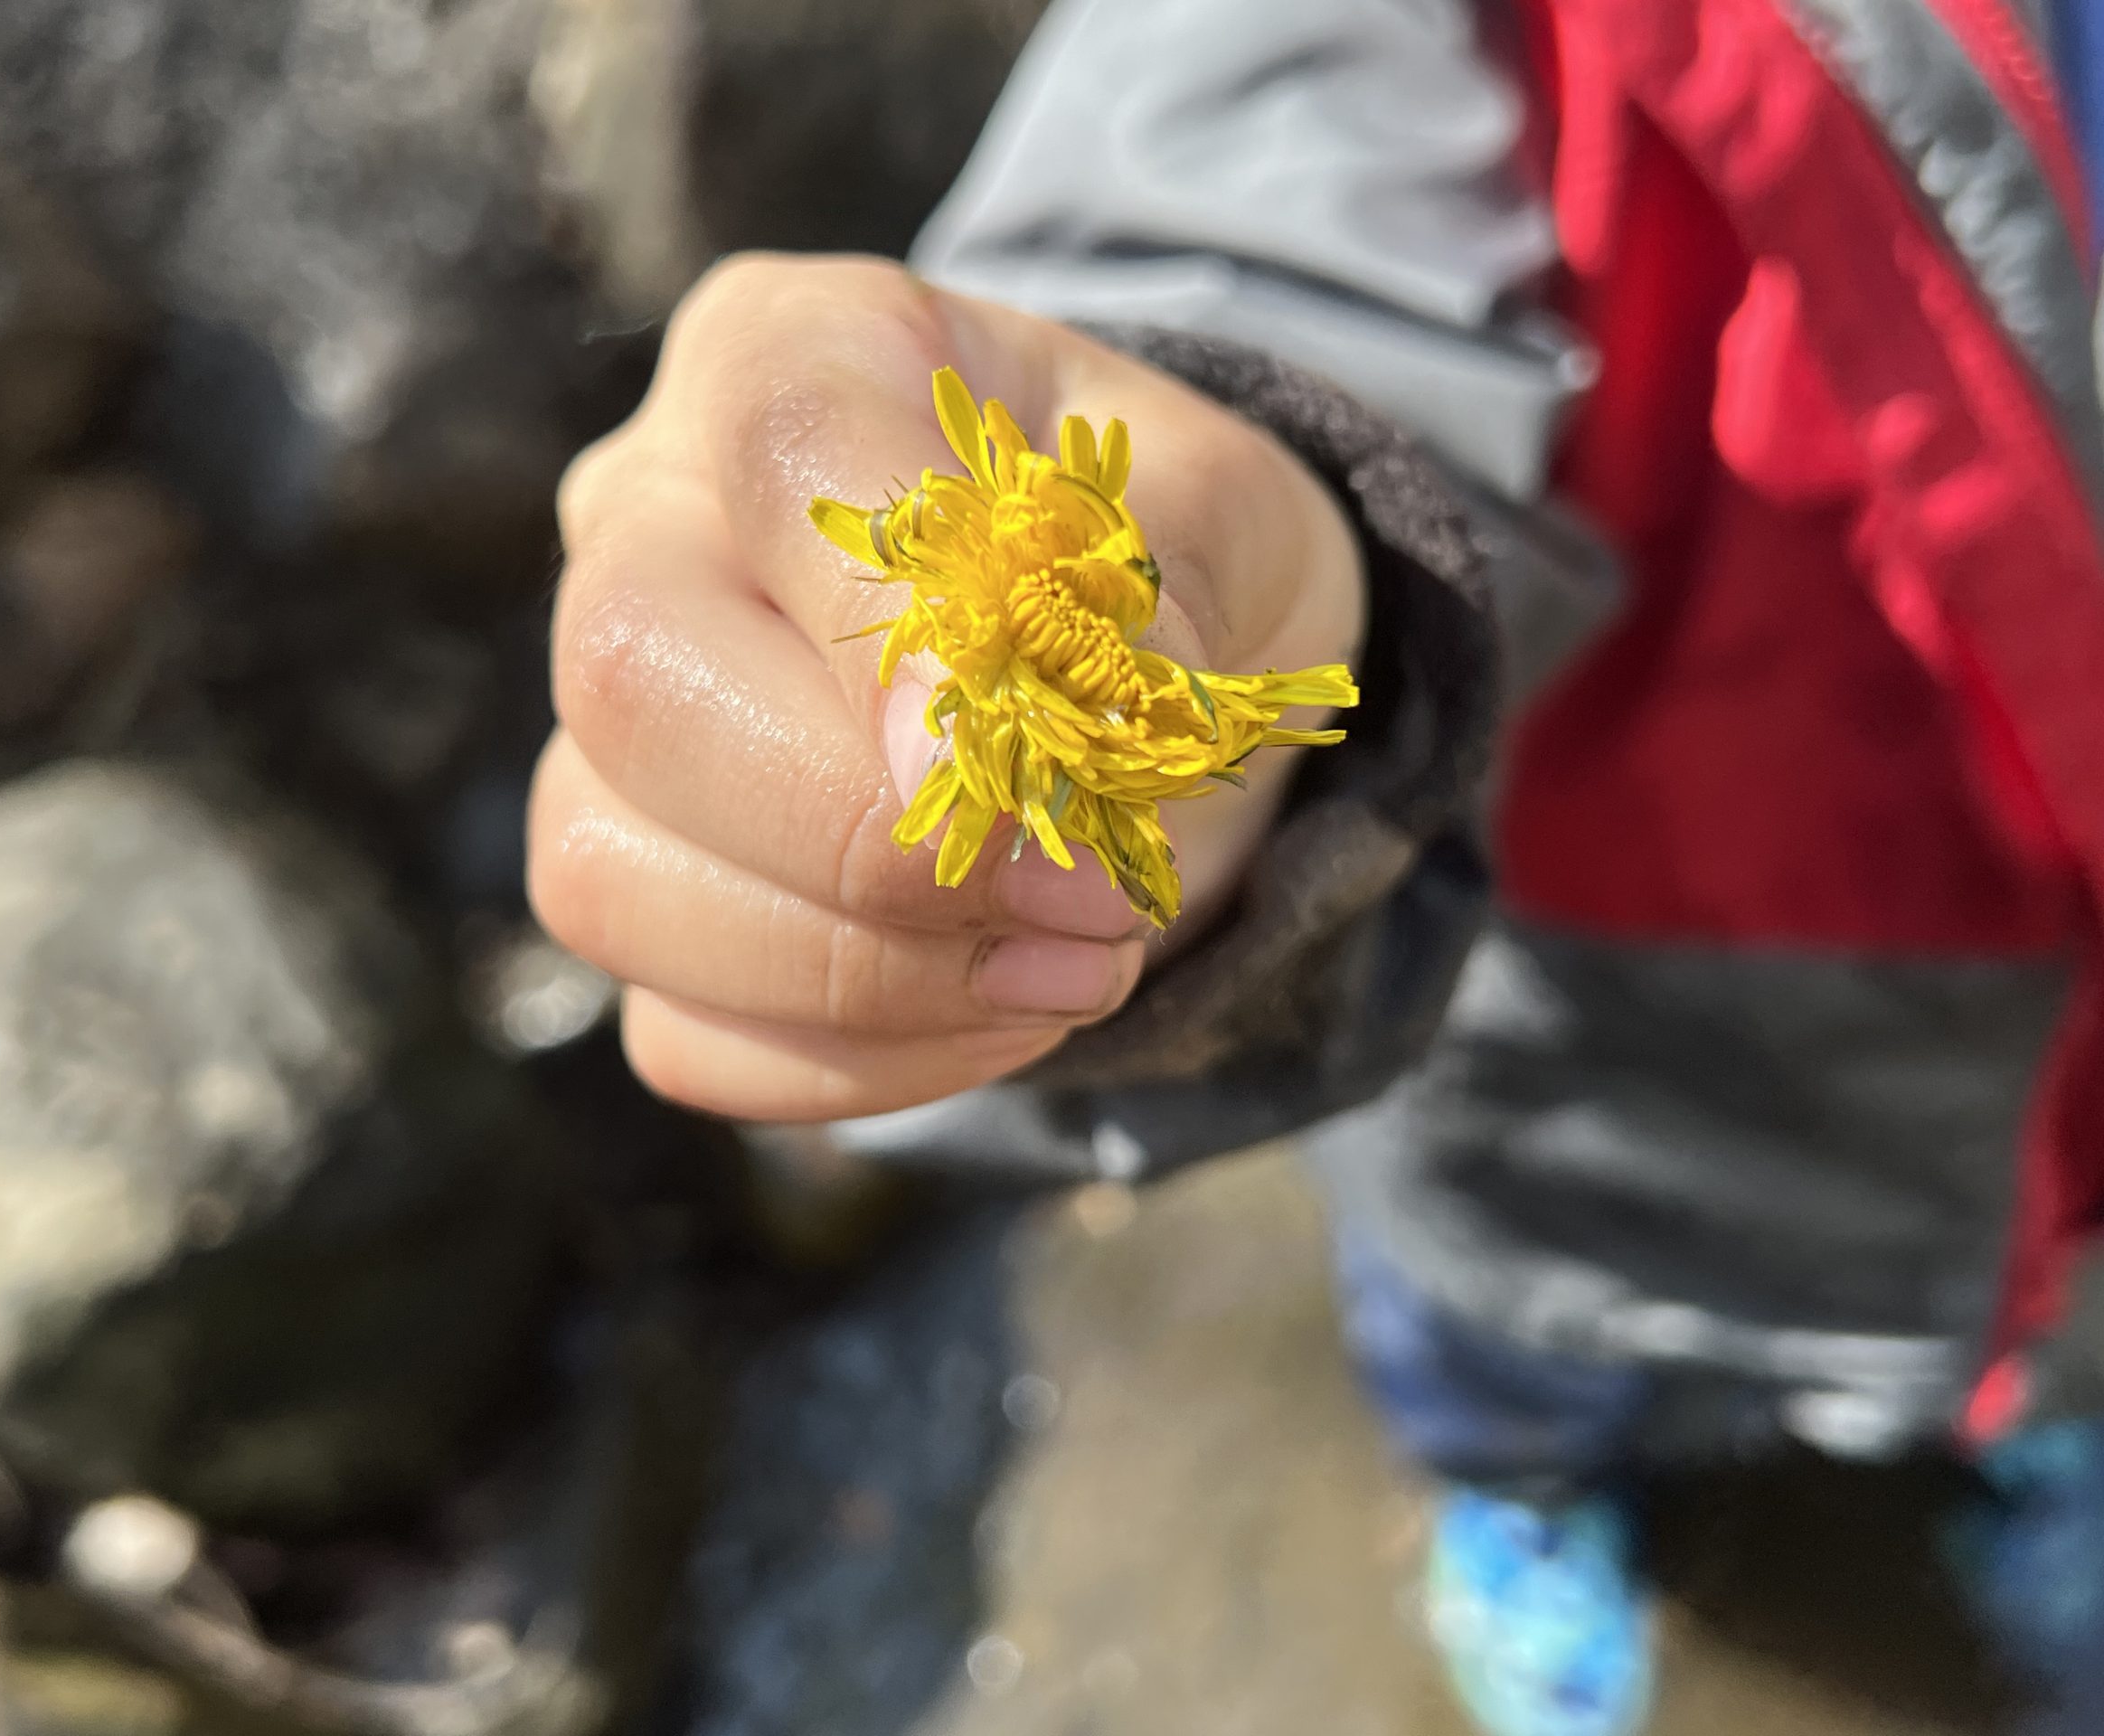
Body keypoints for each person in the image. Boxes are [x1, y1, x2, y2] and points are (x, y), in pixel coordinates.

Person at [527, 1, 2104, 1731]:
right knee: (1499, 1364)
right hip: (1561, 1083)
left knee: (2045, 1346)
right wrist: (1262, 517)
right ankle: (1520, 1504)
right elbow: (1235, 242)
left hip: (2051, 1124)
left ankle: (2026, 1444)